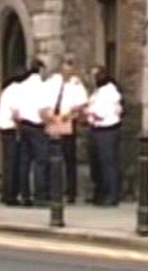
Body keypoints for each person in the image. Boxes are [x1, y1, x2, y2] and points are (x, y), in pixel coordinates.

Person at [43, 56, 89, 204]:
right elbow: (44, 101)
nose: (67, 70)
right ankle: (51, 189)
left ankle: (71, 192)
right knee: (52, 157)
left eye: (70, 67)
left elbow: (82, 104)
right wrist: (49, 114)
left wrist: (68, 114)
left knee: (69, 158)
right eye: (65, 66)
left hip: (68, 121)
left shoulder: (76, 85)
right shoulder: (52, 82)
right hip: (52, 120)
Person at [85, 65, 123, 206]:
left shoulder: (109, 91)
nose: (93, 79)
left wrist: (88, 112)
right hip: (97, 129)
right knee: (97, 164)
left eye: (95, 75)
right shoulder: (98, 91)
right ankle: (100, 192)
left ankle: (111, 195)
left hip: (107, 130)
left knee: (108, 163)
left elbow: (100, 113)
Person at [16, 59, 50, 206]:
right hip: (36, 127)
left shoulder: (21, 86)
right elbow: (43, 111)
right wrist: (50, 124)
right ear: (41, 70)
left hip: (23, 125)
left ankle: (24, 195)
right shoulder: (41, 87)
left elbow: (16, 112)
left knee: (25, 161)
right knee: (41, 161)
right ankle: (39, 196)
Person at [0, 72, 25, 206]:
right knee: (12, 163)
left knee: (8, 162)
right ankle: (10, 195)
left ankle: (6, 193)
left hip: (3, 128)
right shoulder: (15, 90)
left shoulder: (7, 90)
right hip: (10, 129)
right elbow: (16, 112)